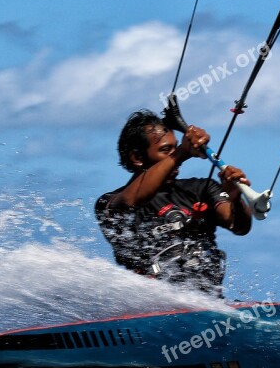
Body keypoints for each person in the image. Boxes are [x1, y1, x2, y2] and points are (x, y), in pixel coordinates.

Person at [95, 109, 253, 297]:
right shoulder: (109, 203)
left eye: (175, 147)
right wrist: (181, 152)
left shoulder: (202, 188)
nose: (177, 159)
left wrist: (235, 198)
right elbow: (132, 200)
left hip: (207, 306)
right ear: (137, 158)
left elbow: (239, 226)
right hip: (147, 308)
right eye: (165, 150)